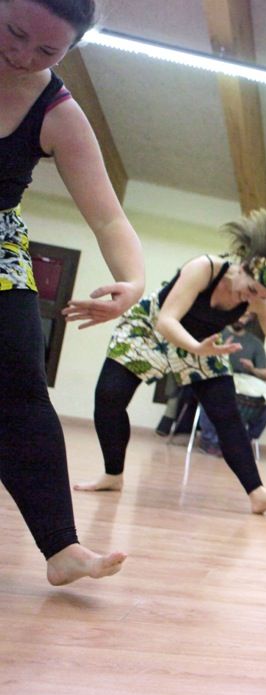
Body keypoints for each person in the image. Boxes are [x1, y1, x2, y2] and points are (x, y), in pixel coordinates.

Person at [1, 0, 146, 585]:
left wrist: (132, 282)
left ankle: (61, 547)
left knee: (19, 380)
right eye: (13, 33)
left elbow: (110, 220)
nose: (21, 55)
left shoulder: (57, 112)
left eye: (47, 51)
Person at [75, 210, 266, 513]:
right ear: (243, 264)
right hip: (151, 329)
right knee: (108, 397)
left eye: (263, 296)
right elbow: (166, 320)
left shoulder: (260, 299)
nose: (253, 298)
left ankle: (257, 494)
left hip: (201, 345)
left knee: (226, 413)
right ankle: (113, 475)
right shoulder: (204, 268)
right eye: (253, 289)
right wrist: (196, 348)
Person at [197, 311, 266, 457]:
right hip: (218, 377)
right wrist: (218, 354)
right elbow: (198, 359)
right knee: (209, 387)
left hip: (243, 382)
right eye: (241, 314)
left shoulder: (255, 343)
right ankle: (209, 440)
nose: (241, 319)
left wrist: (252, 369)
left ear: (251, 318)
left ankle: (245, 440)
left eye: (246, 316)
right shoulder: (217, 334)